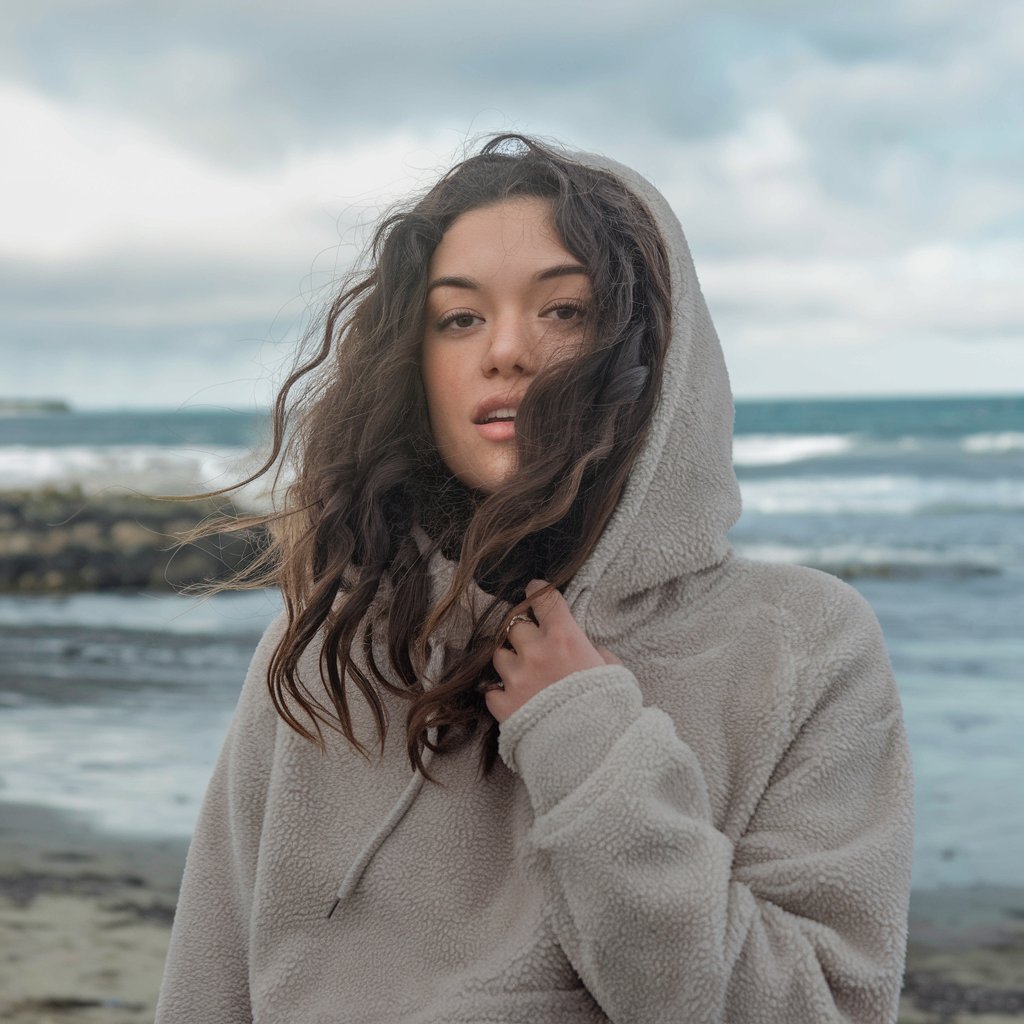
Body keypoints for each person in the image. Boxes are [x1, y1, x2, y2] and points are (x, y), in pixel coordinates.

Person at [154, 133, 915, 1023]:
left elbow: (819, 1010)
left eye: (563, 311)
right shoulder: (326, 646)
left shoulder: (801, 645)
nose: (506, 351)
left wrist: (590, 747)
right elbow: (208, 985)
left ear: (654, 352)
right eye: (461, 318)